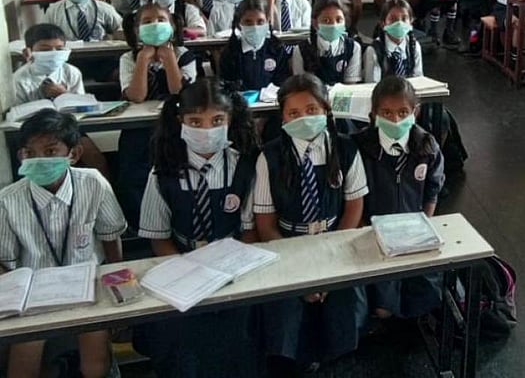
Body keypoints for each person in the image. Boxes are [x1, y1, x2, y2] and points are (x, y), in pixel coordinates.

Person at [134, 79, 258, 378]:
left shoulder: (244, 166)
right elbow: (158, 237)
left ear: (230, 120)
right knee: (186, 341)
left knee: (239, 336)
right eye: (195, 122)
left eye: (217, 121)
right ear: (181, 123)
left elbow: (250, 230)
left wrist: (233, 269)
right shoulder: (163, 172)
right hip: (182, 261)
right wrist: (184, 271)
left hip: (234, 261)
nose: (206, 130)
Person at [253, 73, 368, 376]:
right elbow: (265, 224)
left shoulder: (345, 149)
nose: (304, 118)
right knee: (286, 310)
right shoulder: (270, 157)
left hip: (335, 240)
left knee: (344, 303)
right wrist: (298, 271)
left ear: (326, 110)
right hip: (287, 245)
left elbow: (354, 208)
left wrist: (331, 264)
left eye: (312, 110)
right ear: (283, 117)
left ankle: (338, 357)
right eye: (294, 113)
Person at [0, 109, 126, 378]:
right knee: (22, 367)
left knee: (95, 365)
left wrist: (118, 292)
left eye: (50, 151)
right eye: (29, 153)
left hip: (88, 285)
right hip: (33, 295)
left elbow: (110, 238)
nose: (38, 160)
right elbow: (6, 264)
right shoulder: (7, 200)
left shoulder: (92, 182)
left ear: (74, 154)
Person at [352, 76, 444, 320]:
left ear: (416, 111)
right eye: (387, 112)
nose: (395, 120)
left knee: (428, 293)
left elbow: (432, 191)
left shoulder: (426, 145)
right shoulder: (359, 147)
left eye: (403, 112)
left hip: (414, 229)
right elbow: (352, 197)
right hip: (371, 229)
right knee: (381, 307)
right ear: (374, 114)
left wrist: (424, 224)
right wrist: (363, 228)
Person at [118, 3, 197, 228]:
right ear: (137, 30)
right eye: (147, 21)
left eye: (161, 20)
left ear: (172, 25)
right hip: (139, 127)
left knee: (175, 171)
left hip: (175, 126)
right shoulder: (128, 58)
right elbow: (136, 95)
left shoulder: (185, 55)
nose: (155, 25)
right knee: (134, 175)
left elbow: (179, 91)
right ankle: (140, 224)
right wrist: (143, 60)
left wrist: (168, 58)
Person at [13, 24, 111, 180]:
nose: (53, 54)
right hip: (36, 134)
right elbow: (19, 116)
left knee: (95, 158)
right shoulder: (20, 79)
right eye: (45, 50)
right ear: (28, 52)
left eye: (59, 49)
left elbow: (83, 108)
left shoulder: (71, 72)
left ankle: (102, 190)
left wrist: (65, 95)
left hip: (70, 128)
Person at [219, 0, 291, 91]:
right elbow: (227, 86)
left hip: (272, 103)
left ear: (267, 22)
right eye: (248, 22)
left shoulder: (277, 49)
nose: (255, 27)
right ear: (238, 25)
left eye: (260, 22)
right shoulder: (230, 52)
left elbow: (283, 83)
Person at [296, 0, 363, 85]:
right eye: (326, 20)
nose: (334, 25)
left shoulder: (353, 47)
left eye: (339, 20)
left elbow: (351, 84)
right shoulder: (301, 49)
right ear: (315, 23)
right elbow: (300, 84)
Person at [364, 0, 423, 83]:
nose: (399, 23)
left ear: (411, 22)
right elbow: (372, 85)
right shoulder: (375, 50)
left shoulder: (414, 47)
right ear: (383, 23)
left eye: (404, 18)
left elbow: (418, 79)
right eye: (393, 19)